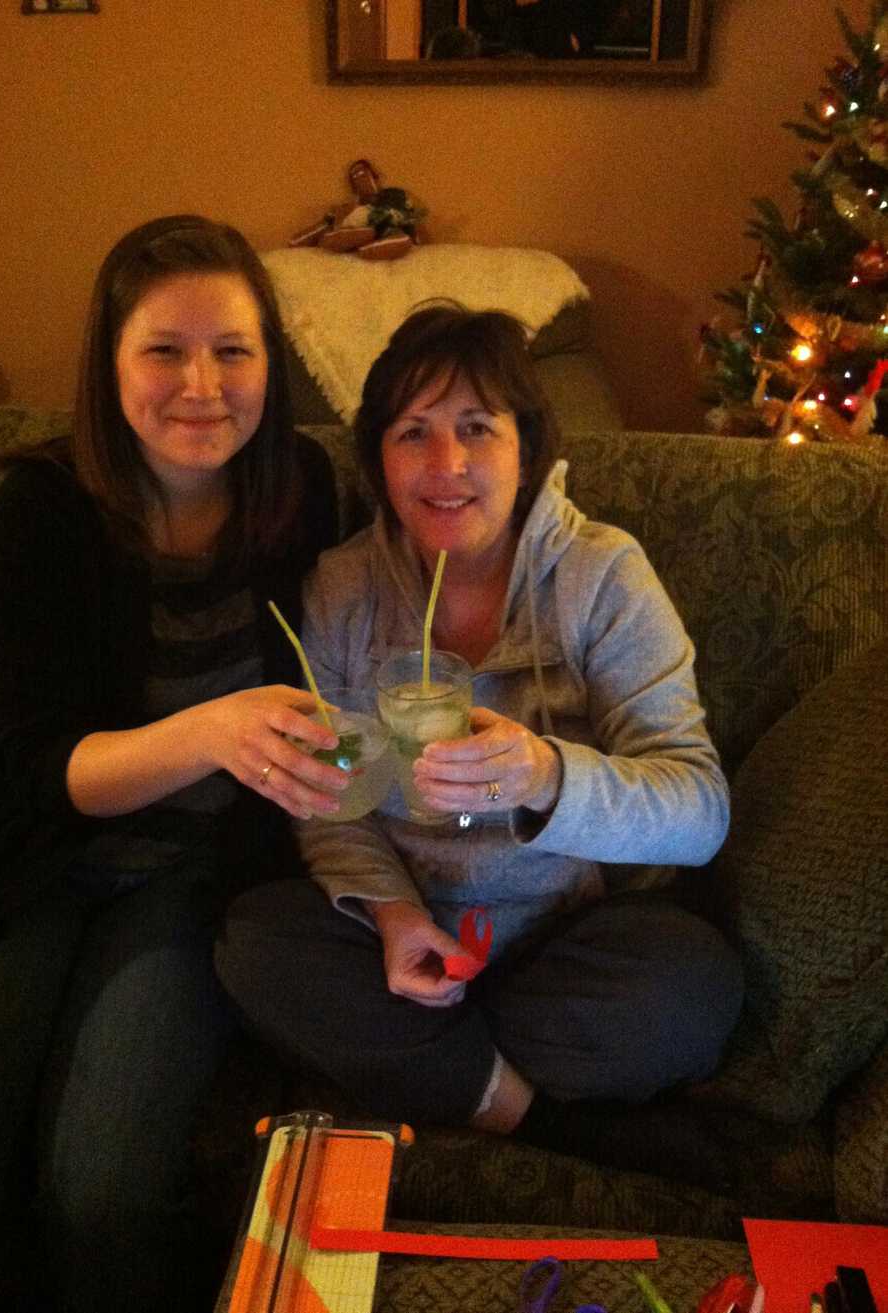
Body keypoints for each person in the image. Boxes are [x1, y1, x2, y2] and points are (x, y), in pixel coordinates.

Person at [0, 215, 349, 1311]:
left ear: (270, 363)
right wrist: (211, 730)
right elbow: (33, 766)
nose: (202, 385)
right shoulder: (44, 509)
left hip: (192, 876)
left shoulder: (301, 487)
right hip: (28, 859)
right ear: (110, 365)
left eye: (233, 350)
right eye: (164, 350)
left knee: (101, 1192)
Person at [216, 302, 743, 1146]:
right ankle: (526, 1110)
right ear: (378, 460)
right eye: (412, 433)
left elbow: (698, 810)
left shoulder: (600, 575)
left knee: (689, 990)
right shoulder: (344, 590)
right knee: (255, 942)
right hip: (402, 941)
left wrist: (546, 776)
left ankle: (435, 1066)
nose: (446, 465)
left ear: (525, 448)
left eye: (476, 428)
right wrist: (393, 914)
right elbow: (334, 801)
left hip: (570, 938)